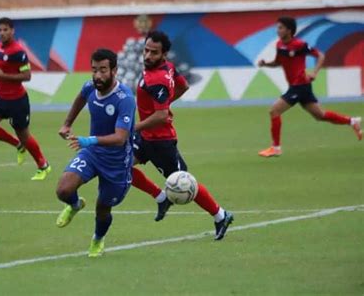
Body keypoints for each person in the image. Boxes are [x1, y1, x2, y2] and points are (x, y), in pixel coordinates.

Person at [131, 30, 234, 241]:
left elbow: (160, 116)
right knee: (118, 166)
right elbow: (183, 86)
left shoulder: (157, 77)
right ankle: (161, 197)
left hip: (161, 142)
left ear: (164, 54)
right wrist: (164, 107)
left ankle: (221, 215)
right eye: (146, 50)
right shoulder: (166, 68)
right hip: (146, 137)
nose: (148, 56)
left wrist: (136, 127)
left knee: (184, 183)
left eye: (154, 52)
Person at [55, 48, 136, 257]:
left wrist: (88, 140)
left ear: (114, 70)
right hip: (92, 153)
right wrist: (67, 124)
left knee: (102, 208)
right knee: (63, 189)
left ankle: (97, 239)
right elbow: (81, 98)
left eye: (103, 70)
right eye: (94, 70)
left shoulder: (124, 98)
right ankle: (74, 204)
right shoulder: (90, 86)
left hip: (117, 163)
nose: (98, 75)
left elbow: (120, 138)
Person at [258, 16, 362, 157]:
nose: (278, 30)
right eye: (277, 27)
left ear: (289, 30)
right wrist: (266, 64)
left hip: (299, 86)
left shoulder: (299, 44)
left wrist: (314, 72)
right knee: (320, 115)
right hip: (299, 87)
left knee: (274, 111)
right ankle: (352, 121)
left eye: (280, 28)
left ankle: (276, 148)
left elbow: (320, 55)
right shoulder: (279, 45)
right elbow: (278, 62)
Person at [0, 17, 50, 180]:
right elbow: (0, 69)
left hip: (18, 101)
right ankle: (17, 145)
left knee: (24, 135)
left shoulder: (18, 51)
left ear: (12, 31)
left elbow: (27, 76)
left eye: (5, 30)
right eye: (0, 30)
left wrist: (4, 76)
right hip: (1, 99)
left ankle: (43, 165)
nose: (2, 33)